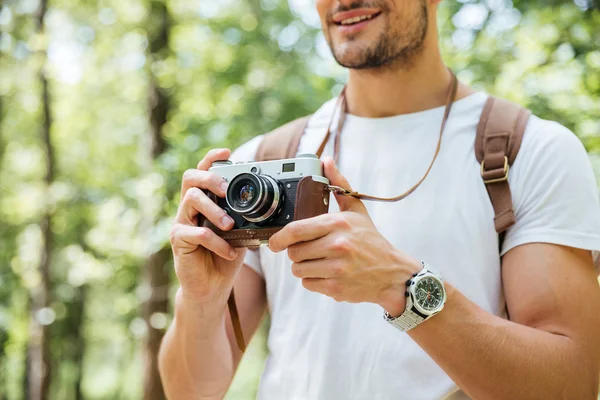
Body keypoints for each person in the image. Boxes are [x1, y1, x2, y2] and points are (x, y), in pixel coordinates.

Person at [159, 0, 600, 398]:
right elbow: (189, 393)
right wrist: (199, 301)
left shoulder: (530, 150)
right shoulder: (262, 164)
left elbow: (571, 384)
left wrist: (402, 287)